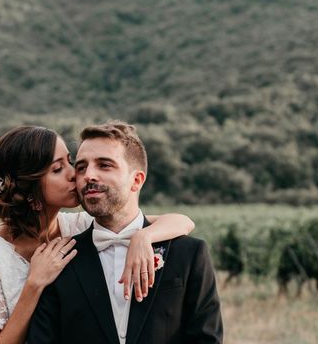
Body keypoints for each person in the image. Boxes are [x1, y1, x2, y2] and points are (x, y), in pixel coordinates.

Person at [0, 125, 196, 344]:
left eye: (70, 162)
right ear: (30, 190)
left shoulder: (81, 225)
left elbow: (182, 221)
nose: (77, 174)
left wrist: (143, 237)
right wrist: (34, 284)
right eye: (58, 169)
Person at [27, 121, 223, 344]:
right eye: (81, 167)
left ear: (136, 180)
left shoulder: (189, 254)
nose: (88, 175)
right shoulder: (58, 260)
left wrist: (144, 236)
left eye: (105, 165)